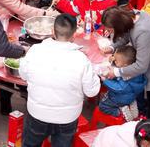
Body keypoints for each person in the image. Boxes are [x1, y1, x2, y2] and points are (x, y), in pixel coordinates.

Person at [99, 7, 150, 144]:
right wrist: (112, 47)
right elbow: (126, 35)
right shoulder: (134, 16)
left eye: (111, 29)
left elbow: (141, 66)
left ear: (120, 25)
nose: (110, 32)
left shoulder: (143, 32)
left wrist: (115, 72)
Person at [17, 12, 100, 147]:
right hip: (66, 118)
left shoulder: (35, 51)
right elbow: (92, 91)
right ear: (74, 35)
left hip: (37, 114)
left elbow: (23, 75)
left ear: (52, 32)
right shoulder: (81, 59)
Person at [98, 46, 147, 119]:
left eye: (116, 61)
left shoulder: (126, 76)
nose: (114, 61)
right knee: (128, 97)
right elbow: (120, 73)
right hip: (131, 96)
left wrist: (105, 80)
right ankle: (131, 106)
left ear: (125, 66)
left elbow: (119, 88)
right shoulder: (136, 72)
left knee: (103, 106)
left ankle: (121, 112)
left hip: (119, 98)